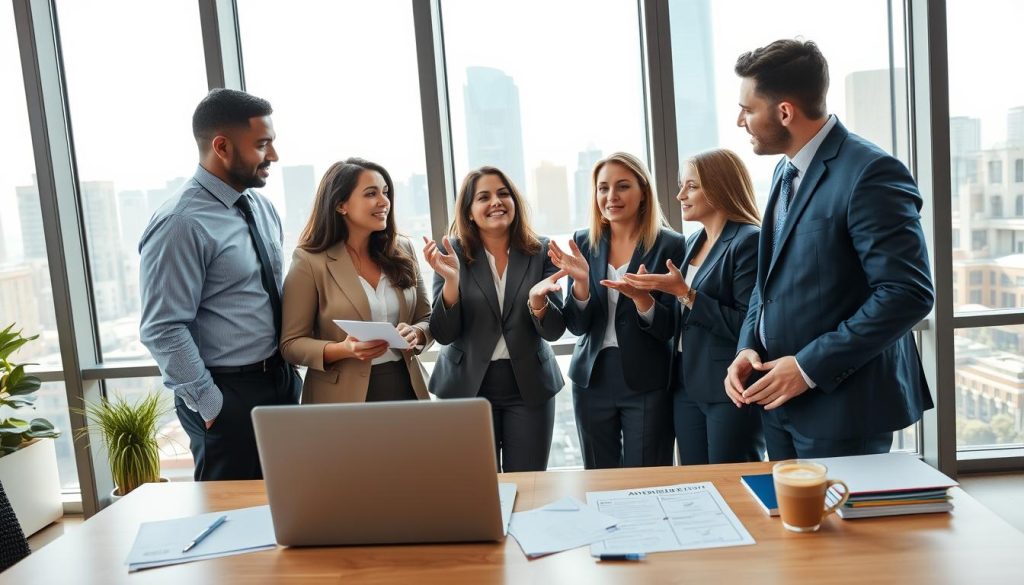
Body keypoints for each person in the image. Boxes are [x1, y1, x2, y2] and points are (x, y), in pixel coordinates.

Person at [725, 39, 934, 459]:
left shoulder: (871, 172)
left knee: (843, 526)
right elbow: (768, 283)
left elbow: (907, 294)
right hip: (778, 400)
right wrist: (748, 345)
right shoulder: (786, 171)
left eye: (747, 109)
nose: (739, 120)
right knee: (788, 524)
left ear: (784, 111)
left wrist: (806, 368)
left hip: (845, 408)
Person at [139, 89, 301, 481]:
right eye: (262, 145)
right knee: (228, 521)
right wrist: (212, 405)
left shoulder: (260, 207)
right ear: (222, 147)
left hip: (278, 382)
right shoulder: (181, 222)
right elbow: (162, 327)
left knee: (287, 506)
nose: (274, 156)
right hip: (227, 393)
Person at [625, 148, 765, 464]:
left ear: (719, 187)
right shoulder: (692, 243)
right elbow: (679, 322)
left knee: (733, 484)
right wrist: (642, 298)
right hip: (686, 384)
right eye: (681, 185)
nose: (679, 195)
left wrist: (687, 294)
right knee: (696, 482)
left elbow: (748, 325)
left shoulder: (748, 241)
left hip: (729, 387)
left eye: (691, 186)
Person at [424, 166, 567, 472]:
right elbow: (443, 333)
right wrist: (451, 283)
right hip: (466, 389)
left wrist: (539, 304)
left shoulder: (540, 250)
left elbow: (554, 331)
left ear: (515, 201)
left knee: (528, 487)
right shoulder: (451, 252)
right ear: (469, 211)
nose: (496, 202)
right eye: (484, 197)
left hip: (528, 388)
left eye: (503, 194)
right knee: (475, 491)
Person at [550, 152, 686, 469]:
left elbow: (669, 327)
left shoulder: (671, 245)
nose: (611, 197)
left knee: (647, 477)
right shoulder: (583, 242)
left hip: (647, 380)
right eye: (603, 188)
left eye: (622, 186)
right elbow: (577, 324)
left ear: (643, 193)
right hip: (592, 378)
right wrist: (581, 284)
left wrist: (642, 299)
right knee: (599, 478)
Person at [280, 158, 431, 404]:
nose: (384, 202)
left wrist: (417, 333)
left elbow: (426, 317)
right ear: (341, 205)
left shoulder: (403, 249)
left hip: (406, 387)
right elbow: (291, 344)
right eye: (371, 194)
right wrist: (344, 349)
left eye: (385, 192)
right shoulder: (310, 261)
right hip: (340, 396)